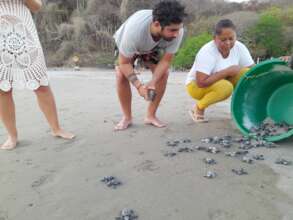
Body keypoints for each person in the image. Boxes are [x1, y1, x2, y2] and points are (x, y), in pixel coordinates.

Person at [0, 0, 75, 150]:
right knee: (3, 89)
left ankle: (56, 128)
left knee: (41, 84)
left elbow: (37, 6)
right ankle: (12, 135)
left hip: (25, 34)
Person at [113, 0, 186, 130]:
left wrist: (152, 82)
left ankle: (150, 116)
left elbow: (166, 61)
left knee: (163, 74)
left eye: (178, 29)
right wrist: (139, 86)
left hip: (151, 47)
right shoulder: (134, 32)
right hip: (128, 45)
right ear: (157, 24)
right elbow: (124, 63)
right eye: (172, 30)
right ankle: (127, 117)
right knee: (121, 75)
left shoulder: (177, 30)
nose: (176, 34)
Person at [185, 19, 255, 122]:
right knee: (226, 88)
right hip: (195, 86)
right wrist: (227, 71)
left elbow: (253, 70)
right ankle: (198, 108)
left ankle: (237, 109)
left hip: (221, 80)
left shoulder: (240, 47)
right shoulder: (207, 51)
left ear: (236, 36)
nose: (228, 43)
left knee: (246, 73)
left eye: (231, 38)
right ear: (215, 39)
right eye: (223, 40)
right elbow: (201, 82)